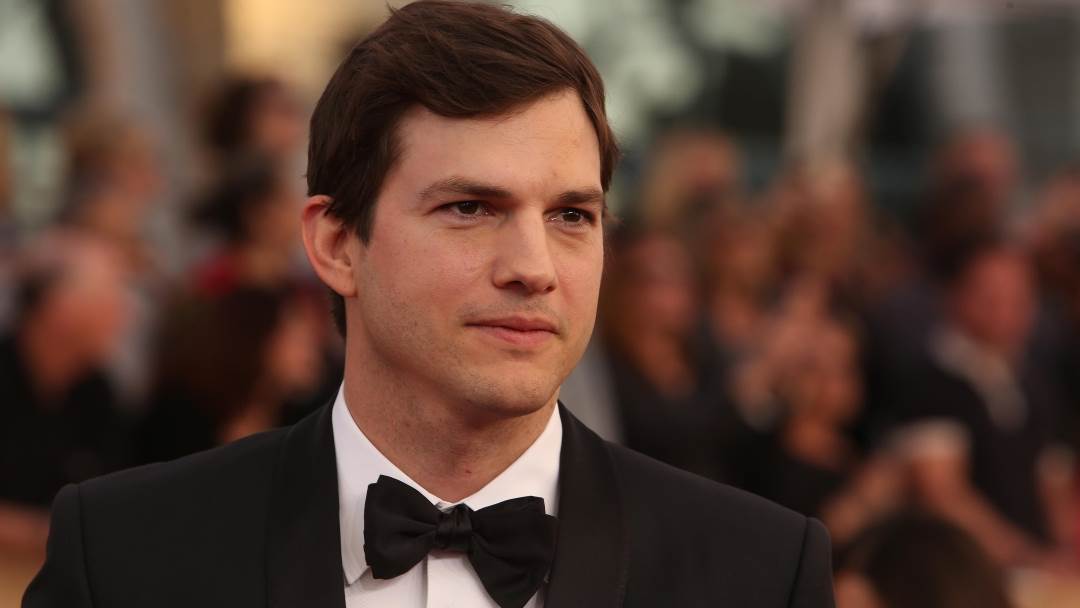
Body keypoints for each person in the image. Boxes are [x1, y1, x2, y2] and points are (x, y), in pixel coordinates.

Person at [24, 3, 834, 607]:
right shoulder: (126, 557)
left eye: (570, 216)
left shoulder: (759, 573)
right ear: (337, 245)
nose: (534, 268)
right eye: (469, 208)